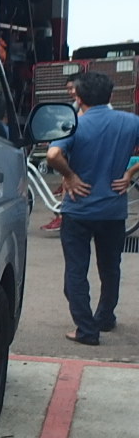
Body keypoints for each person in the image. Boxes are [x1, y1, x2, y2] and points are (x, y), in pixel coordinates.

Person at [45, 70, 139, 345]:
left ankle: (86, 329)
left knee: (76, 270)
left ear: (79, 96)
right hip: (113, 210)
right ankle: (105, 317)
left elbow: (53, 154)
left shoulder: (73, 123)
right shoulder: (130, 121)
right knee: (110, 267)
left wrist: (70, 176)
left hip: (78, 210)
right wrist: (130, 173)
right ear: (109, 95)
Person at [40, 75, 79, 232]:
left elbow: (53, 155)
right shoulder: (76, 104)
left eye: (72, 88)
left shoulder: (85, 106)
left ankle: (63, 217)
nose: (71, 92)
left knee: (67, 178)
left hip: (79, 151)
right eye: (68, 89)